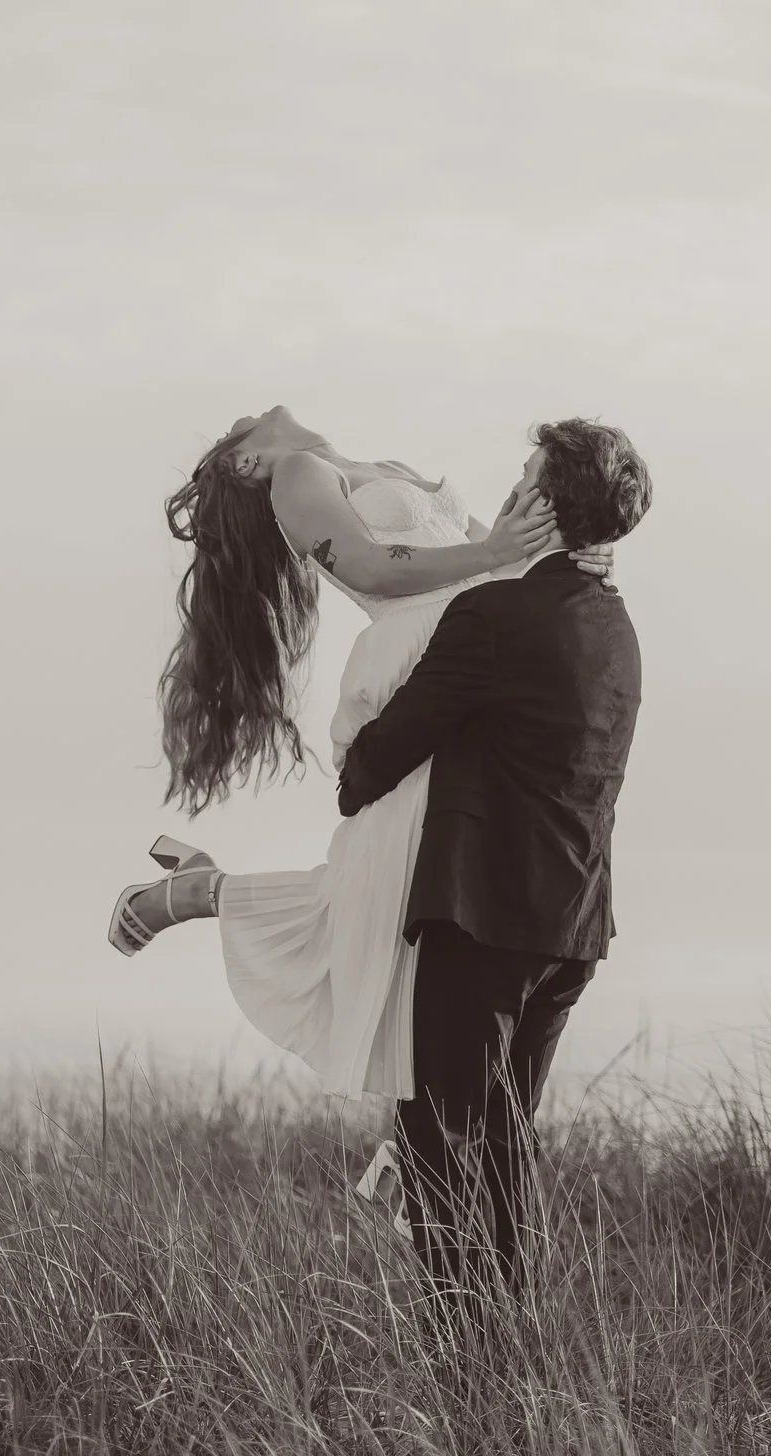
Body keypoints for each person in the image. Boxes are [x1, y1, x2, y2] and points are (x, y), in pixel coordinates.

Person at [108, 410, 649, 1300]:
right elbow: (366, 568)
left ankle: (425, 1139)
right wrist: (496, 556)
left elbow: (515, 556)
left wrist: (544, 547)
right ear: (245, 461)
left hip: (481, 678)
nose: (247, 414)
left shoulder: (509, 587)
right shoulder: (290, 471)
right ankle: (429, 1152)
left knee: (387, 927)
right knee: (380, 914)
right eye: (238, 430)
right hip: (443, 669)